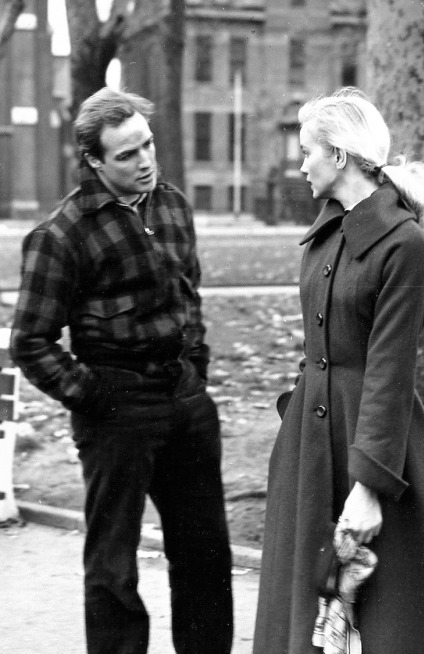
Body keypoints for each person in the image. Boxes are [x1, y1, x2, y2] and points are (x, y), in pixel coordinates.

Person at [252, 87, 424, 654]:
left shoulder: (405, 246)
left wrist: (369, 489)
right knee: (310, 622)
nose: (301, 163)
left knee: (398, 624)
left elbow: (390, 374)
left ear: (338, 155)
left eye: (308, 149)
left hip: (376, 453)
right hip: (312, 450)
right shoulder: (326, 232)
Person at [10, 87, 233, 654]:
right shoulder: (60, 236)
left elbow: (191, 299)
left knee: (205, 556)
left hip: (185, 403)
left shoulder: (174, 205)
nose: (145, 162)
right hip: (115, 412)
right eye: (127, 155)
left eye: (148, 145)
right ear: (93, 160)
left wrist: (196, 375)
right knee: (113, 569)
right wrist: (95, 397)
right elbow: (30, 342)